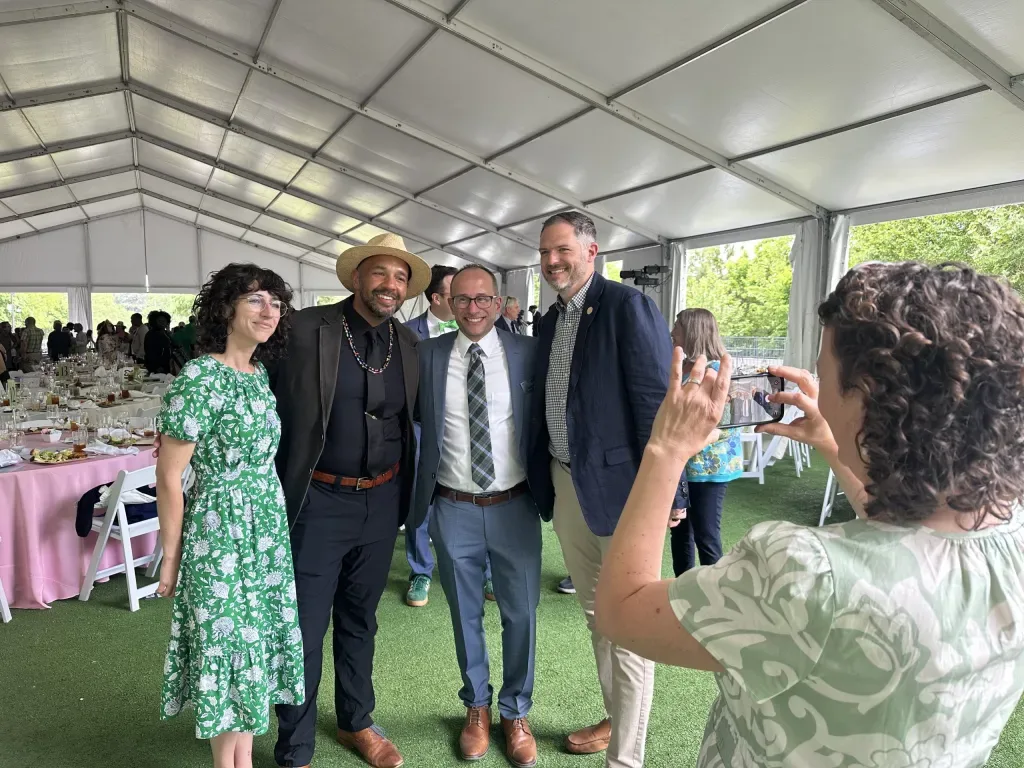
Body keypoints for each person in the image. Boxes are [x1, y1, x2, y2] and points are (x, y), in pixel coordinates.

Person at [595, 261, 1024, 768]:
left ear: (866, 398)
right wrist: (835, 442)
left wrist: (665, 452)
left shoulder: (808, 575)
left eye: (825, 375)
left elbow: (622, 611)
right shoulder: (1010, 538)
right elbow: (906, 538)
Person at [527, 211, 686, 766]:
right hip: (566, 484)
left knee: (631, 626)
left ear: (592, 251)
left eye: (563, 250)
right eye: (545, 252)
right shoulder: (549, 321)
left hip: (625, 492)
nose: (552, 262)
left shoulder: (626, 306)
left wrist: (673, 490)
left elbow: (657, 403)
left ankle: (627, 757)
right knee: (600, 618)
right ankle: (619, 716)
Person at [272, 232, 429, 768]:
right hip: (317, 500)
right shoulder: (305, 328)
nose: (391, 284)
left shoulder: (407, 344)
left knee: (362, 618)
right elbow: (258, 388)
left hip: (382, 501)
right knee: (306, 627)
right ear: (358, 276)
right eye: (381, 273)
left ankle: (355, 721)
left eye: (400, 277)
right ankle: (294, 746)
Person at [154, 263, 304, 768]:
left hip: (265, 527)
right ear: (227, 308)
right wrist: (170, 558)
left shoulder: (259, 374)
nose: (269, 312)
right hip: (216, 533)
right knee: (228, 646)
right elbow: (170, 475)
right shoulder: (199, 376)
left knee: (252, 648)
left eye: (276, 303)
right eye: (256, 300)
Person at [413, 265, 541, 766]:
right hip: (451, 506)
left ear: (498, 301)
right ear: (447, 302)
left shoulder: (529, 353)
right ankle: (477, 706)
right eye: (462, 299)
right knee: (464, 614)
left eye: (483, 298)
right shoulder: (426, 355)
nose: (473, 308)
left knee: (522, 613)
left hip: (515, 504)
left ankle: (516, 711)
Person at [403, 265, 494, 607]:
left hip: (469, 432)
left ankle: (487, 569)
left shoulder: (477, 330)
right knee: (419, 503)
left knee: (480, 496)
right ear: (439, 297)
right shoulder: (407, 334)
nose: (468, 304)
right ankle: (420, 571)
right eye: (458, 296)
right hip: (420, 432)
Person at [668, 308, 742, 576]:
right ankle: (682, 590)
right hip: (681, 467)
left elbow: (723, 423)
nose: (673, 330)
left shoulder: (716, 371)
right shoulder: (679, 365)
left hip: (709, 467)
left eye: (677, 325)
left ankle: (717, 598)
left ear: (692, 331)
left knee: (706, 534)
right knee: (679, 533)